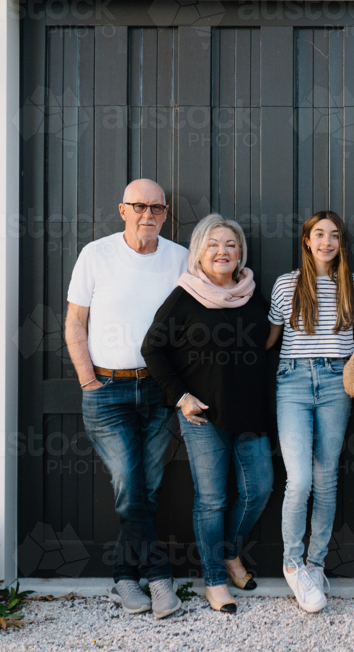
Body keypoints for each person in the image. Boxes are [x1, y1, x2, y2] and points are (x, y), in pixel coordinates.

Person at [63, 178, 187, 619]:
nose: (147, 215)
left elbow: (202, 310)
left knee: (144, 489)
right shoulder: (95, 254)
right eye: (139, 207)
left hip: (157, 389)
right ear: (123, 210)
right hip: (106, 390)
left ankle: (122, 578)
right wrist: (87, 380)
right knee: (129, 485)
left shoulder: (180, 258)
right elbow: (75, 323)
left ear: (166, 214)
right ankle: (158, 576)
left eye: (156, 208)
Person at [141, 214, 273, 615]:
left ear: (240, 253)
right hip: (202, 415)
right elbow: (153, 349)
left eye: (231, 244)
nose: (223, 252)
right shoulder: (185, 296)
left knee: (259, 489)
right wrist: (180, 396)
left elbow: (267, 346)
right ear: (199, 252)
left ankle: (231, 551)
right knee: (212, 500)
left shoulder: (252, 294)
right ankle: (214, 578)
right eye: (213, 244)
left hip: (251, 410)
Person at [266, 211, 354, 613]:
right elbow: (271, 339)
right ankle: (292, 564)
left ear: (341, 242)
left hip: (336, 381)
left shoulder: (353, 286)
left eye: (334, 235)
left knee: (326, 478)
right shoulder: (286, 285)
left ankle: (315, 564)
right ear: (307, 240)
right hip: (292, 381)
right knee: (301, 478)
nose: (326, 242)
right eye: (319, 234)